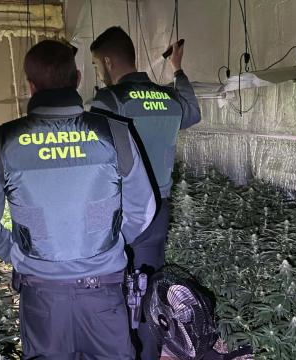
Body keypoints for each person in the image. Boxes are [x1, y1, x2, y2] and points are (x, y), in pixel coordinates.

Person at [0, 39, 157, 360]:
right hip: (103, 294)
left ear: (30, 86)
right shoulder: (114, 133)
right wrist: (111, 241)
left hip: (42, 298)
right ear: (78, 78)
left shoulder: (2, 142)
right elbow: (144, 208)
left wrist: (17, 250)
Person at [90, 26, 201, 359]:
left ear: (108, 61)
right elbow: (193, 114)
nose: (99, 72)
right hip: (159, 209)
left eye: (97, 66)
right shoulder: (167, 97)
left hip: (121, 212)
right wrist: (177, 70)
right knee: (149, 287)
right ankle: (149, 351)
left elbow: (98, 158)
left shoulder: (109, 100)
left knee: (114, 288)